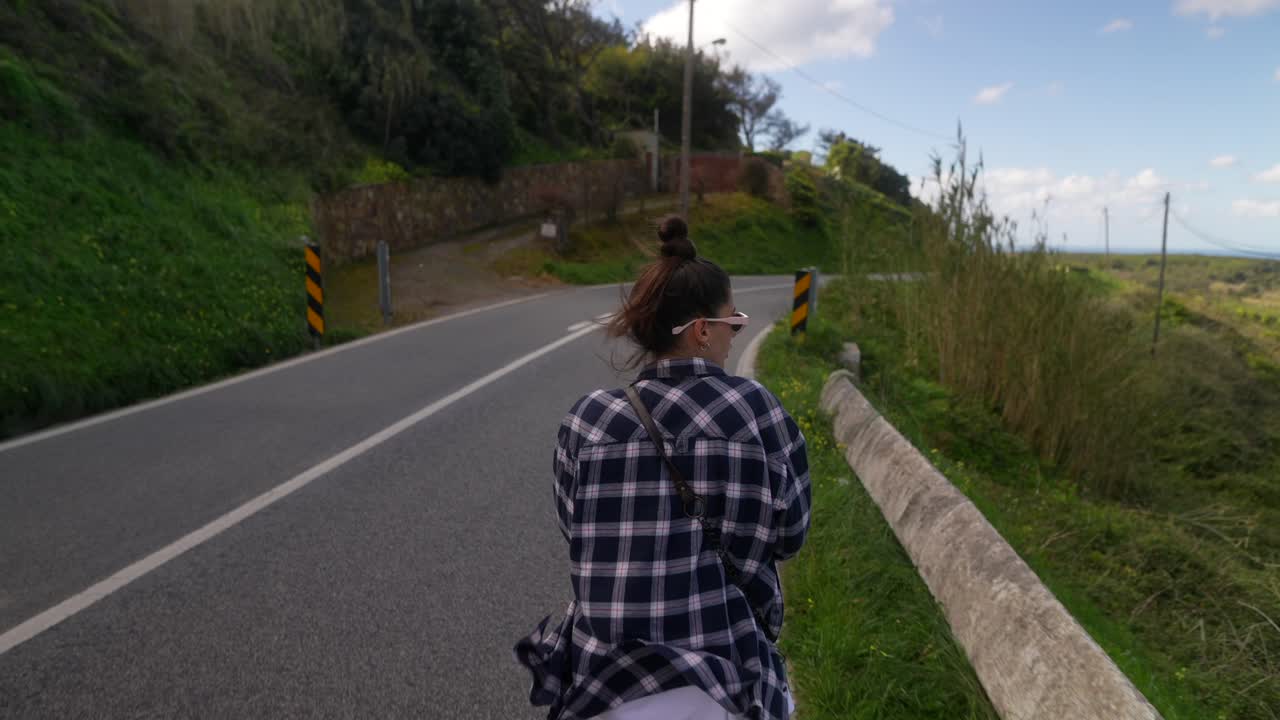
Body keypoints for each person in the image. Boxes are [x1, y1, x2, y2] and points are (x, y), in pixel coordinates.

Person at [514, 216, 812, 720]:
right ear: (700, 331)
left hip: (603, 683)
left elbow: (576, 532)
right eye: (732, 323)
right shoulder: (756, 410)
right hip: (728, 677)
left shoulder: (585, 421)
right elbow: (790, 534)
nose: (735, 336)